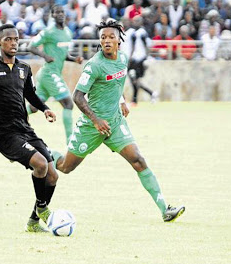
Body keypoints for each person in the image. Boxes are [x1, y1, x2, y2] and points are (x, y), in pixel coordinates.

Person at [50, 19, 185, 223]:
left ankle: (165, 209)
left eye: (110, 37)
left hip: (115, 123)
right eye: (103, 37)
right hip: (91, 126)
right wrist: (95, 121)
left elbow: (117, 81)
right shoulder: (94, 65)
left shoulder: (122, 58)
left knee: (138, 160)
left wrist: (121, 100)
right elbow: (77, 96)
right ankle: (43, 152)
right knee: (65, 167)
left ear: (119, 40)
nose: (106, 40)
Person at [0, 24, 59, 233]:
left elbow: (30, 95)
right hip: (4, 134)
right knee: (41, 164)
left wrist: (44, 109)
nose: (13, 43)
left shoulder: (24, 69)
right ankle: (43, 208)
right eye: (8, 39)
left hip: (25, 129)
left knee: (52, 175)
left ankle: (34, 221)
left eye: (16, 39)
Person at [27, 5, 83, 144]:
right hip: (49, 73)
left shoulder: (68, 32)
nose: (60, 14)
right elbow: (30, 46)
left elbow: (63, 54)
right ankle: (70, 139)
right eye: (57, 12)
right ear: (52, 15)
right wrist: (44, 55)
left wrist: (74, 59)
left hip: (52, 73)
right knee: (68, 104)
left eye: (62, 12)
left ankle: (10, 118)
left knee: (34, 108)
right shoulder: (48, 32)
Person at [124, 15, 157, 105]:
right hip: (135, 59)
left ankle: (135, 100)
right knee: (135, 80)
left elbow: (146, 46)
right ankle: (151, 94)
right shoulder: (134, 32)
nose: (135, 22)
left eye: (137, 21)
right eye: (134, 21)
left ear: (141, 22)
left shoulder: (141, 32)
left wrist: (146, 57)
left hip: (139, 59)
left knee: (134, 79)